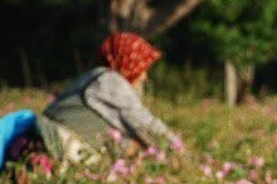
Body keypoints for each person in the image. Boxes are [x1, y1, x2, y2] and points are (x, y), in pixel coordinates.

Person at [1, 32, 182, 173]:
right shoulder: (111, 81)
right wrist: (180, 152)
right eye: (142, 69)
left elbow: (116, 136)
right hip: (61, 146)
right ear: (128, 62)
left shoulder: (93, 77)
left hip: (44, 141)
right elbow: (145, 124)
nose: (144, 77)